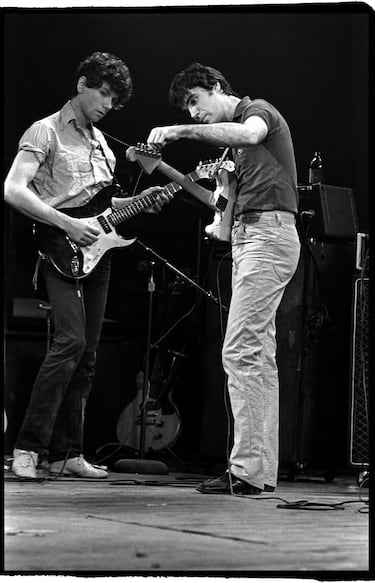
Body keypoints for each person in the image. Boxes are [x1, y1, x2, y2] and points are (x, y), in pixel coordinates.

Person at [4, 51, 172, 480]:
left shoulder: (103, 145)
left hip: (97, 255)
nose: (107, 105)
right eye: (103, 94)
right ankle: (28, 445)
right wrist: (67, 224)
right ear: (82, 84)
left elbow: (102, 207)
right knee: (70, 343)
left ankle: (67, 453)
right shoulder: (46, 131)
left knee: (89, 355)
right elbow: (13, 190)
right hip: (58, 247)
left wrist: (142, 203)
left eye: (115, 100)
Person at [147, 62, 300, 495]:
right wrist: (164, 171)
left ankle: (247, 471)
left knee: (240, 351)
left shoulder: (258, 111)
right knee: (257, 357)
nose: (193, 113)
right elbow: (216, 210)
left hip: (267, 236)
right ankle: (260, 472)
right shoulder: (233, 157)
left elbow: (249, 133)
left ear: (217, 87)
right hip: (250, 238)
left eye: (195, 101)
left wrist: (180, 132)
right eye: (185, 110)